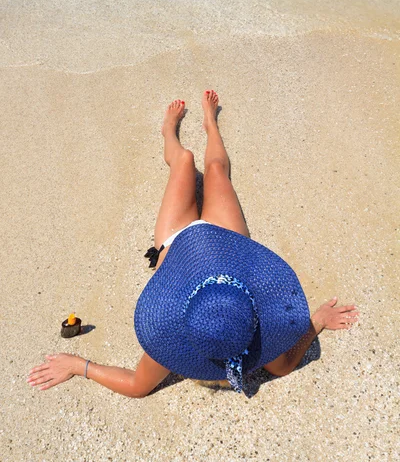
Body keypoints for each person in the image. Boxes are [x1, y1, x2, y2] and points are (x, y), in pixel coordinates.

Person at [28, 90, 358, 397]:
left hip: (177, 239)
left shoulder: (176, 337)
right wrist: (317, 321)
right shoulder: (257, 342)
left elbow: (136, 386)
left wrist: (79, 366)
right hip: (228, 243)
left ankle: (169, 133)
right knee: (216, 171)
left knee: (184, 160)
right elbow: (285, 366)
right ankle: (210, 123)